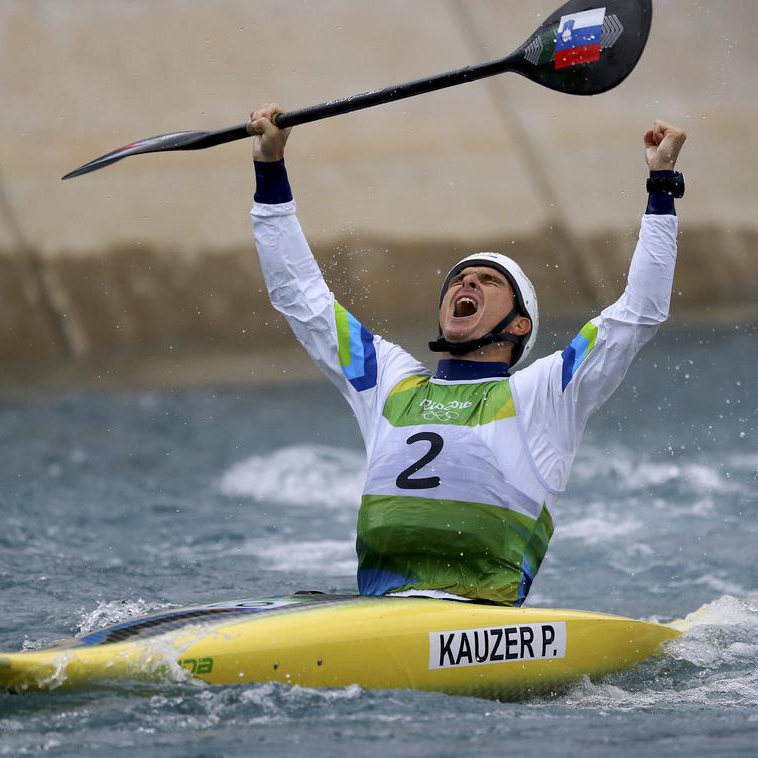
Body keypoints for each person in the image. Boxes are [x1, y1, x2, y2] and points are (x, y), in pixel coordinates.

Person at [249, 103, 686, 606]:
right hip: (377, 612)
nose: (467, 280)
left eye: (489, 280)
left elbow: (639, 313)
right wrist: (270, 168)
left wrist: (661, 182)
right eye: (459, 278)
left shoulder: (545, 392)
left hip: (479, 620)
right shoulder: (387, 381)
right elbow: (300, 296)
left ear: (520, 325)